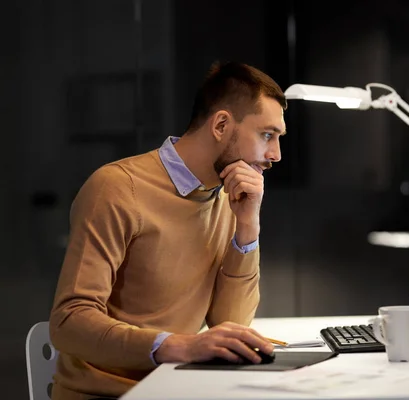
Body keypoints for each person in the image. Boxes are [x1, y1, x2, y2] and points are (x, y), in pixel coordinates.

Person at [49, 61, 288, 400]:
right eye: (267, 135)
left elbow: (230, 322)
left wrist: (247, 227)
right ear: (221, 124)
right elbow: (68, 323)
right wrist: (180, 346)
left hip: (176, 388)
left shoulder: (227, 199)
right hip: (108, 393)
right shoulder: (117, 188)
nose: (276, 154)